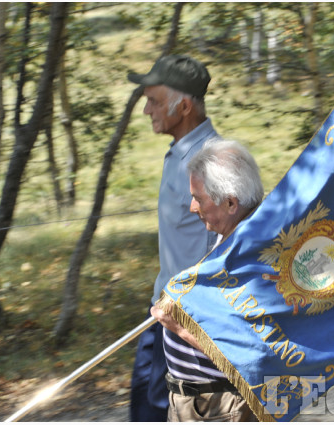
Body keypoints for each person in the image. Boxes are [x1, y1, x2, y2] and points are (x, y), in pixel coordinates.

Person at [127, 54, 219, 422]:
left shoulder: (207, 162)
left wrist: (192, 324)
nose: (146, 110)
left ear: (182, 107)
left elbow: (226, 245)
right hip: (164, 312)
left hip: (185, 321)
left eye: (153, 100)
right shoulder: (181, 154)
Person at [151, 139, 264, 421]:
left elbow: (252, 354)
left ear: (229, 203)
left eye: (198, 198)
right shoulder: (232, 237)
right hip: (195, 403)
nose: (192, 207)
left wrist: (180, 327)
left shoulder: (255, 255)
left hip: (223, 407)